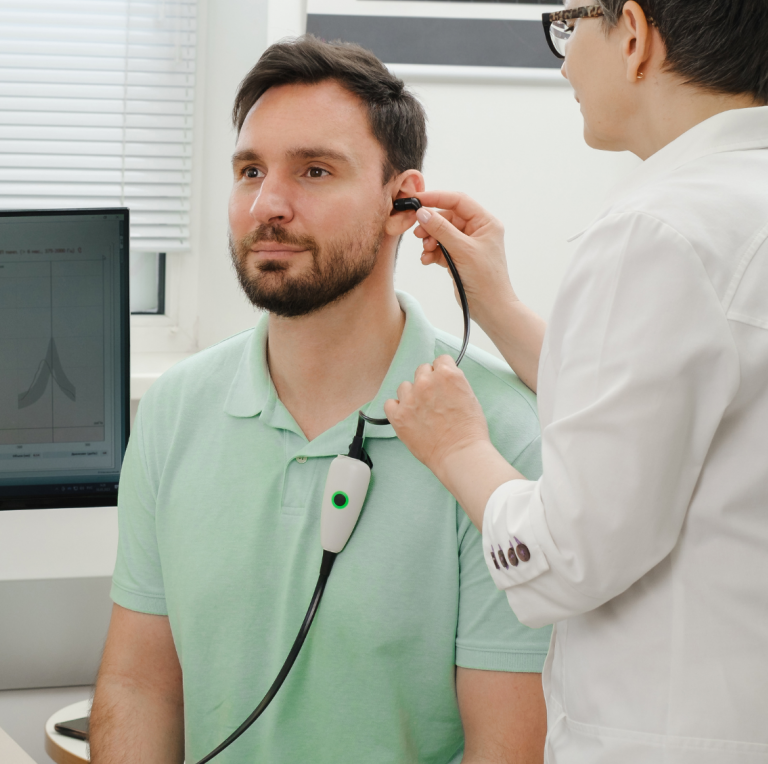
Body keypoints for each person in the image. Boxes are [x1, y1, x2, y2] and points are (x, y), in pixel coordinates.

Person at [89, 37, 550, 764]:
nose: (267, 205)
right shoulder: (176, 411)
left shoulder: (502, 437)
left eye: (313, 169)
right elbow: (142, 682)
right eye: (249, 171)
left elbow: (507, 748)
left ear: (403, 203)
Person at [384, 0, 768, 761]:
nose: (565, 61)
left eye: (570, 23)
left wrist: (458, 448)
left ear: (632, 35)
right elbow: (674, 411)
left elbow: (566, 554)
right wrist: (504, 307)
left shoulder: (656, 230)